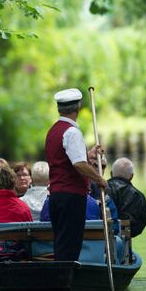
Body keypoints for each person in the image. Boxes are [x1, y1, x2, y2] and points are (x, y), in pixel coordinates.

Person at [45, 87, 107, 262]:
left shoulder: (53, 131)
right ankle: (64, 282)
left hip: (56, 196)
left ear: (59, 109)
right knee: (70, 245)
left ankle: (61, 280)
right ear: (78, 108)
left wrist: (88, 154)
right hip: (71, 197)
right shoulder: (72, 132)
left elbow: (64, 159)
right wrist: (100, 179)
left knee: (62, 242)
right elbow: (78, 164)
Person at [108, 157, 146, 237]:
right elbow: (139, 226)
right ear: (132, 176)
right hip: (124, 241)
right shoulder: (138, 196)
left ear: (111, 173)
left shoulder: (100, 190)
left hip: (99, 238)